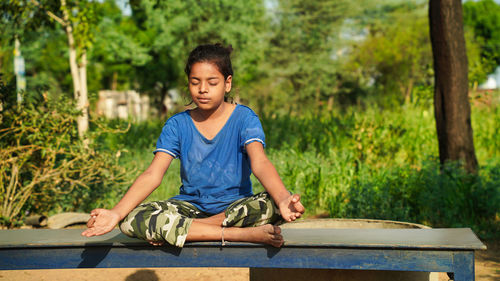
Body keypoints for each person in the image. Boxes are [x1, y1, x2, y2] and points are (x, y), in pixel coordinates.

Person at [82, 43, 305, 248]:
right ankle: (239, 234)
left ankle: (186, 230)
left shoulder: (245, 119)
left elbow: (260, 163)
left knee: (271, 204)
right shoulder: (177, 125)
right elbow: (153, 174)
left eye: (212, 82)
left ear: (227, 83)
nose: (202, 89)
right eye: (195, 82)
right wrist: (115, 212)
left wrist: (284, 198)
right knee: (132, 219)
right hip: (190, 210)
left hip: (236, 207)